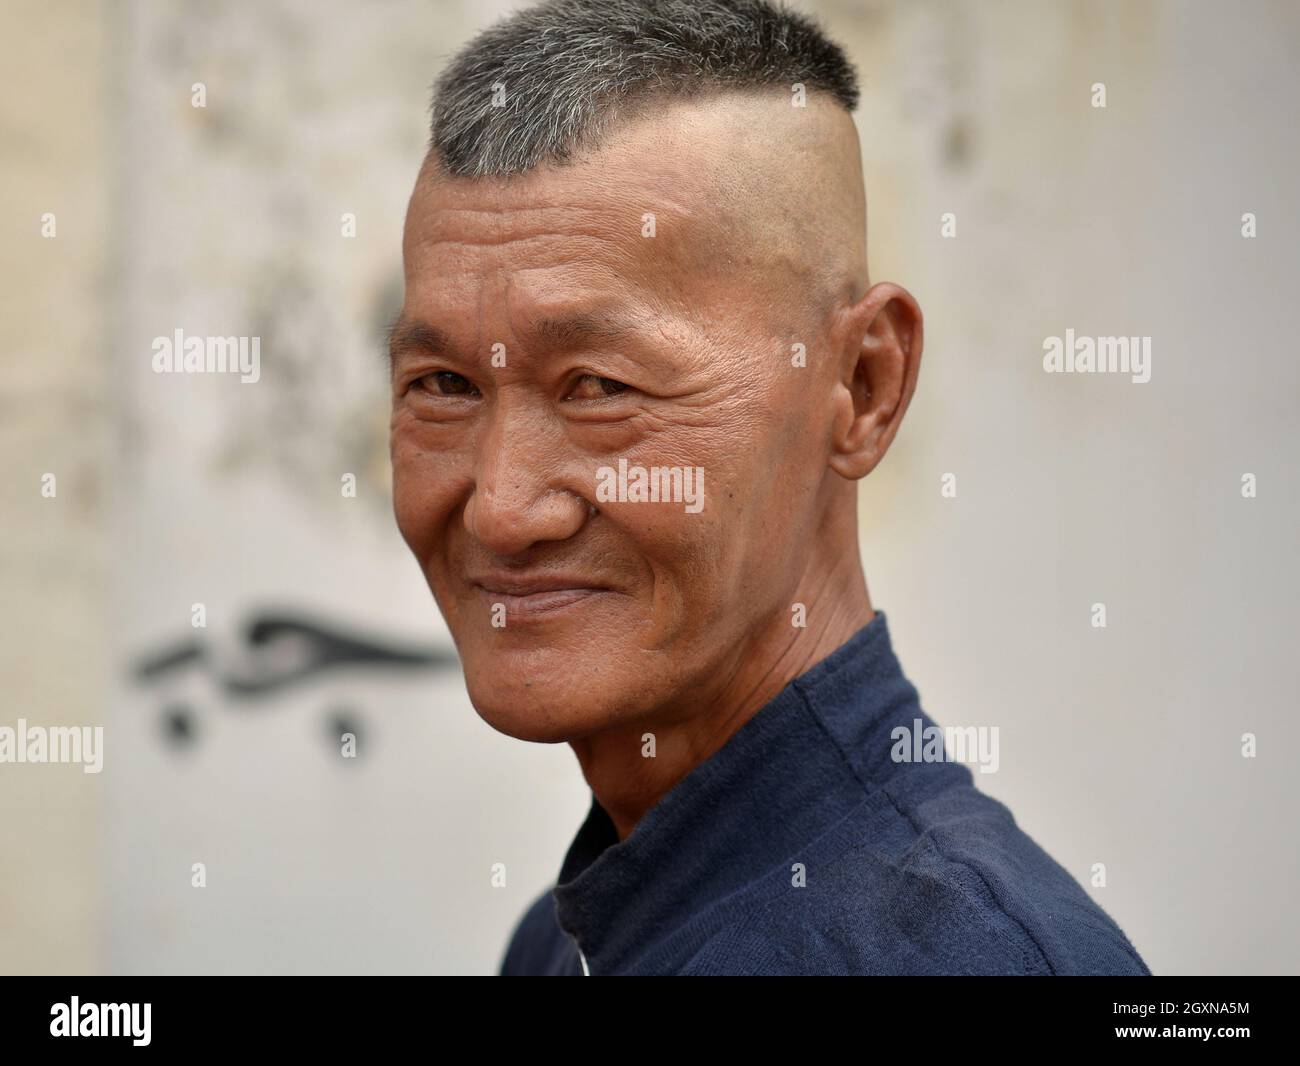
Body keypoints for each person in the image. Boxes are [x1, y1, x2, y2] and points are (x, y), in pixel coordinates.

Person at [388, 0, 1150, 975]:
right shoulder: (563, 941)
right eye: (442, 385)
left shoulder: (960, 955)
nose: (499, 505)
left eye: (600, 388)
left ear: (861, 386)